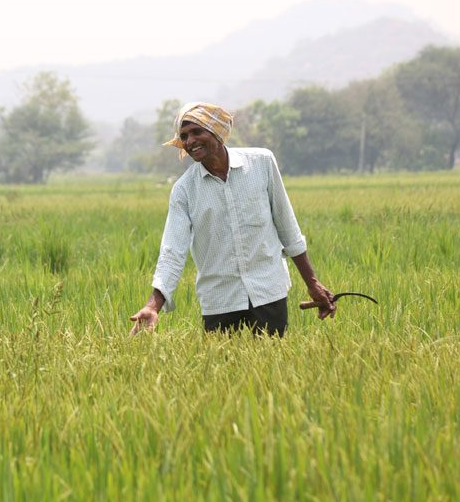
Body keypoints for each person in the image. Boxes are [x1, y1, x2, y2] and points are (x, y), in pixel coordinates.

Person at [130, 102, 335, 337]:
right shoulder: (184, 190)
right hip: (220, 301)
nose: (190, 141)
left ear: (216, 130)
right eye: (184, 136)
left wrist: (312, 283)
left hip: (268, 292)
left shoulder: (262, 163)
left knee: (272, 370)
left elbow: (287, 227)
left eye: (197, 132)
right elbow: (172, 251)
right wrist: (153, 305)